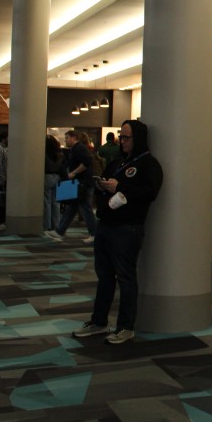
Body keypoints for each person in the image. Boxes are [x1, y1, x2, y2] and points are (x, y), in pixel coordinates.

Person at [72, 120, 163, 345]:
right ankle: (99, 321)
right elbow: (106, 185)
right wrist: (103, 187)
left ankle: (125, 326)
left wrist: (120, 187)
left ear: (137, 138)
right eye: (121, 137)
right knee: (104, 276)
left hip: (128, 228)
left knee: (125, 278)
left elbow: (150, 192)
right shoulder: (116, 163)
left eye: (126, 137)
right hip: (106, 224)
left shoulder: (149, 164)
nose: (122, 141)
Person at [47, 129, 98, 244]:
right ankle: (60, 232)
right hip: (81, 183)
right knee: (72, 208)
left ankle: (94, 234)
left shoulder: (79, 148)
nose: (65, 141)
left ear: (73, 138)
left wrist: (74, 173)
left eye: (67, 138)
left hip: (83, 183)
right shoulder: (76, 149)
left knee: (85, 209)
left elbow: (87, 161)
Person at [44, 135, 66, 235]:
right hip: (58, 177)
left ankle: (47, 226)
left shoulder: (44, 153)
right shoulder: (60, 153)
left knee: (47, 202)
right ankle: (56, 225)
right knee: (56, 203)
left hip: (47, 177)